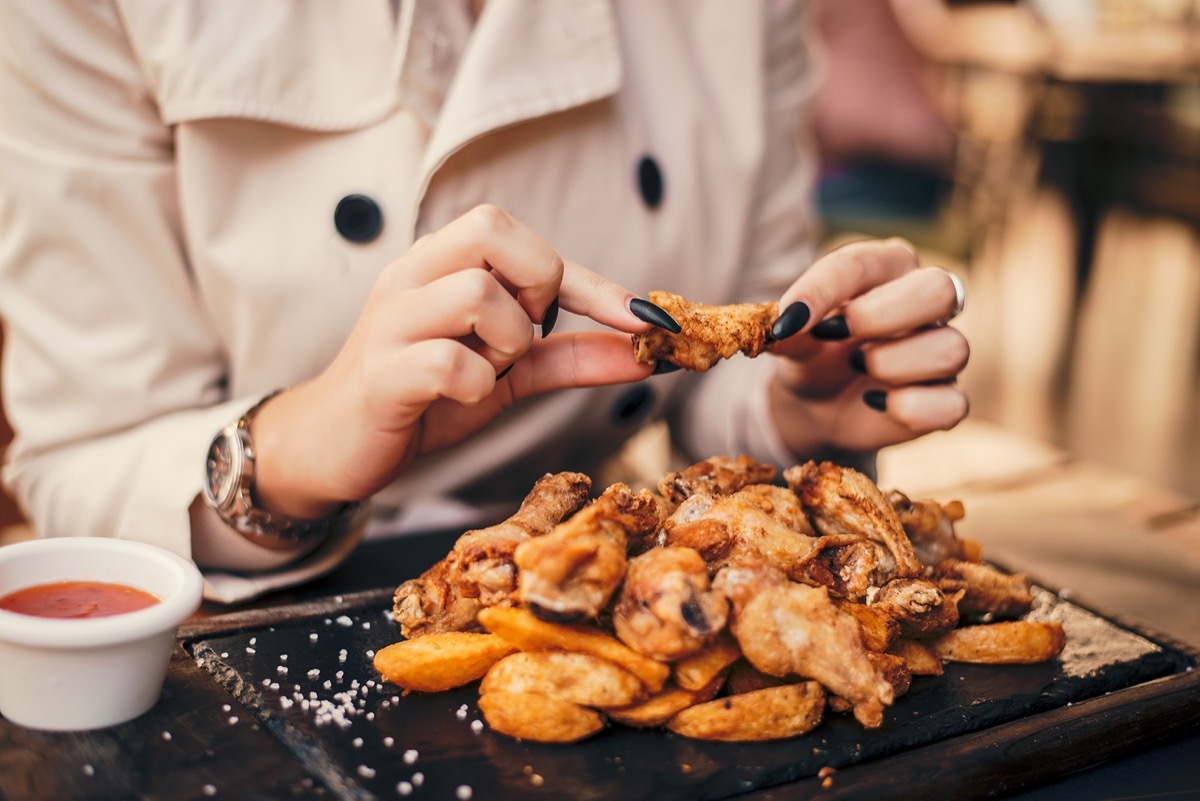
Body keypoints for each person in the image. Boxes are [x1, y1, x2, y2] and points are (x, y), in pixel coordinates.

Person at [0, 1, 969, 602]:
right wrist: (295, 449)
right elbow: (81, 459)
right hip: (250, 616)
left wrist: (792, 407)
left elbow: (724, 359)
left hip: (607, 576)